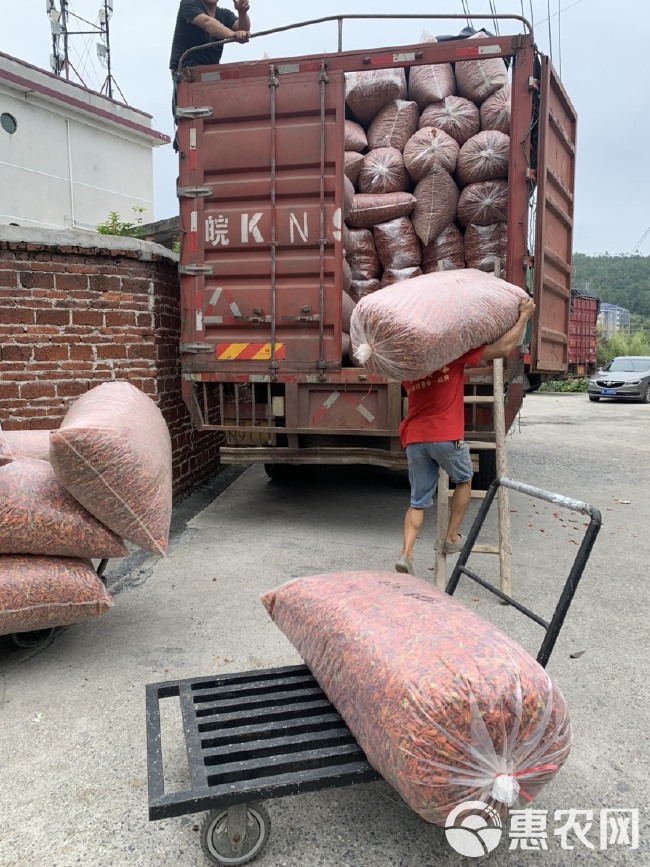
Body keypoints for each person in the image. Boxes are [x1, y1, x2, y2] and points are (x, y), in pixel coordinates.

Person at [395, 296, 536, 575]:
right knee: (464, 479)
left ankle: (406, 553)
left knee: (417, 500)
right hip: (446, 436)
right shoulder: (453, 357)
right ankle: (450, 537)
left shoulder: (410, 370)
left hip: (415, 439)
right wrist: (524, 317)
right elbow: (505, 347)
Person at [170, 1, 251, 148]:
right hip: (188, 72)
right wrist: (233, 35)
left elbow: (244, 30)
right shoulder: (189, 4)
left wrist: (242, 12)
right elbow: (208, 23)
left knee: (215, 118)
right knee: (191, 122)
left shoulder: (224, 14)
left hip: (211, 74)